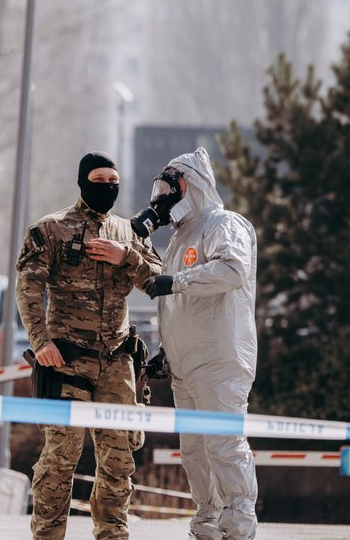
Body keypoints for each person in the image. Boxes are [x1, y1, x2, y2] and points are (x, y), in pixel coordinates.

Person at [16, 151, 163, 539]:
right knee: (61, 457)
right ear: (82, 182)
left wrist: (125, 256)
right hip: (66, 360)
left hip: (117, 363)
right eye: (99, 181)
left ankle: (112, 535)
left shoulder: (128, 233)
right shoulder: (51, 229)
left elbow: (158, 281)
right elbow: (28, 289)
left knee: (119, 461)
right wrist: (41, 342)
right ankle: (47, 535)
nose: (107, 188)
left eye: (113, 182)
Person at [138, 147, 259, 540]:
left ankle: (239, 520)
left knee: (223, 441)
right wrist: (165, 351)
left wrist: (177, 281)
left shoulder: (224, 223)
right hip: (185, 365)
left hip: (220, 359)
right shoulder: (178, 239)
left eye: (171, 185)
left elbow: (232, 270)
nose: (165, 195)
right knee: (193, 450)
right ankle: (207, 518)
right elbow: (177, 308)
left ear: (191, 184)